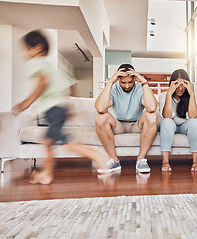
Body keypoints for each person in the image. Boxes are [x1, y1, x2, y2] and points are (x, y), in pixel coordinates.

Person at [12, 30, 109, 184]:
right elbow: (68, 86)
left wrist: (26, 103)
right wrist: (67, 110)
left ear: (37, 48)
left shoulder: (37, 63)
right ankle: (46, 174)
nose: (26, 54)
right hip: (56, 110)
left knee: (62, 143)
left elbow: (42, 83)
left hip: (54, 110)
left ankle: (95, 155)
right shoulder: (50, 65)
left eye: (27, 49)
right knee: (49, 143)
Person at [95, 64, 157, 173]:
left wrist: (144, 82)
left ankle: (141, 160)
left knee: (151, 116)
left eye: (130, 82)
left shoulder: (140, 88)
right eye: (123, 82)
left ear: (135, 79)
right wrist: (110, 82)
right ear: (118, 79)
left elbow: (152, 107)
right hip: (118, 125)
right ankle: (114, 161)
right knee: (100, 118)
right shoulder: (113, 88)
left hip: (136, 125)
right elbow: (100, 108)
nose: (127, 86)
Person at [158, 69, 197, 172]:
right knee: (167, 122)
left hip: (183, 126)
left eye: (183, 85)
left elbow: (193, 116)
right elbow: (167, 116)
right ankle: (165, 162)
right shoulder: (164, 96)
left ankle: (195, 162)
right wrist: (169, 94)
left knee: (194, 123)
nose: (180, 88)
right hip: (169, 126)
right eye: (177, 84)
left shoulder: (193, 96)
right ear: (171, 84)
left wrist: (191, 94)